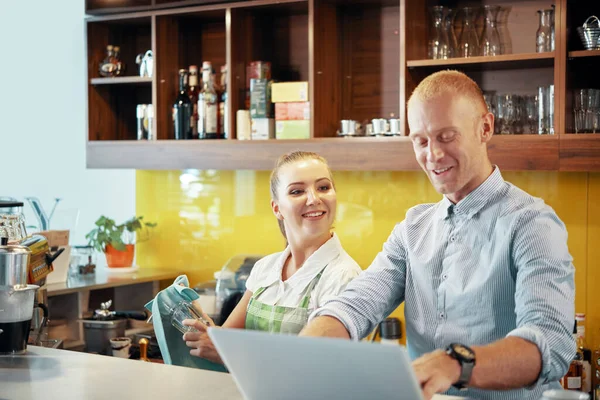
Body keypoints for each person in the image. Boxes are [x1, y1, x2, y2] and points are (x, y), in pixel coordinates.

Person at [300, 70, 576, 400]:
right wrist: (310, 343)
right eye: (421, 140)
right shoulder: (412, 227)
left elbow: (550, 343)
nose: (432, 155)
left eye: (446, 137)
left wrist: (456, 363)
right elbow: (357, 304)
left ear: (485, 128)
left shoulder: (532, 224)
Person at [182, 151, 362, 364]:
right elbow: (227, 339)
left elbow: (323, 365)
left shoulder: (344, 276)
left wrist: (230, 352)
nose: (314, 199)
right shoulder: (265, 268)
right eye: (297, 191)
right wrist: (207, 333)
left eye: (323, 187)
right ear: (277, 208)